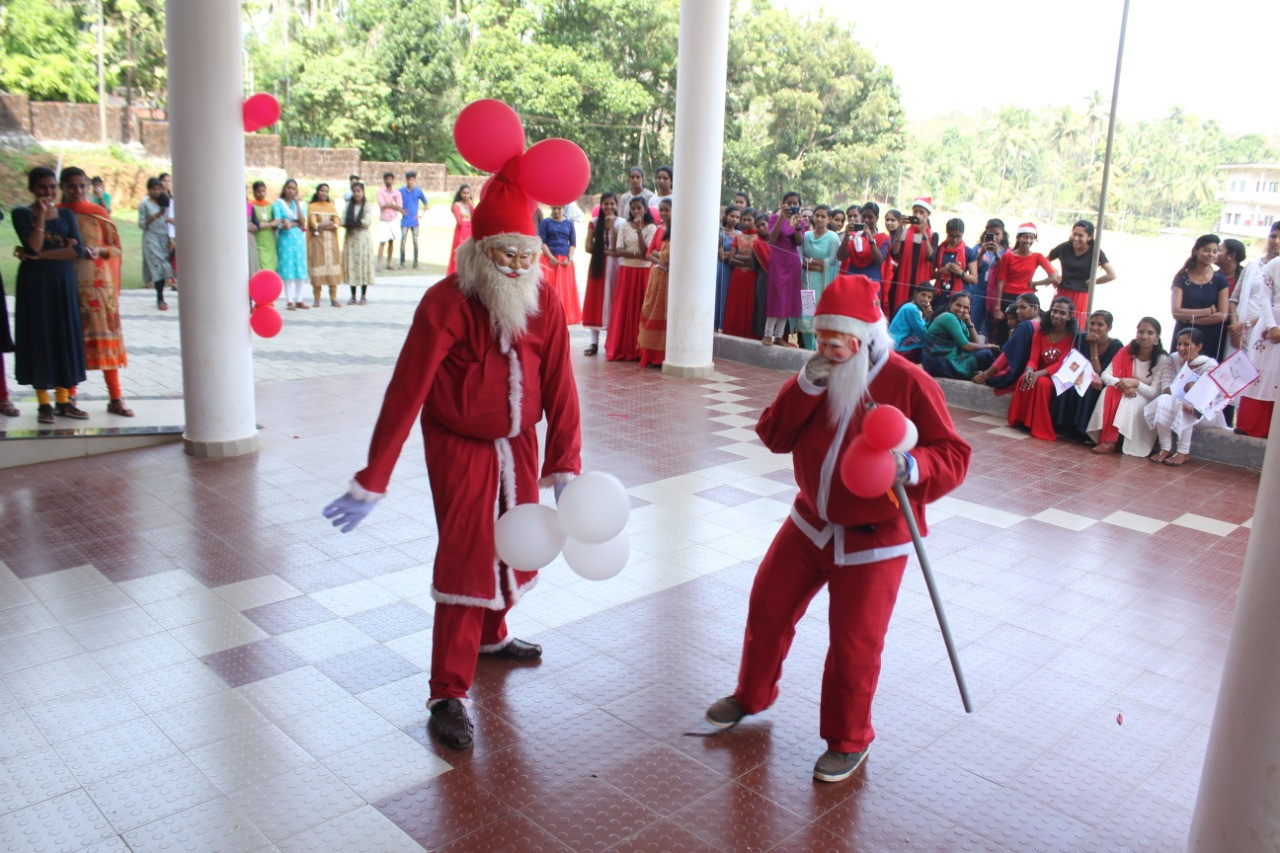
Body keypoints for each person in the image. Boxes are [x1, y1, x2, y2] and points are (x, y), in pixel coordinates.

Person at [322, 146, 583, 752]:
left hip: (518, 443)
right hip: (458, 444)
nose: (518, 265)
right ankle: (448, 691)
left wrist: (565, 461)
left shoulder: (546, 303)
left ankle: (492, 636)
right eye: (504, 254)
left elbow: (562, 387)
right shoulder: (444, 303)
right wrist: (374, 476)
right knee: (467, 556)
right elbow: (405, 391)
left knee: (516, 541)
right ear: (478, 255)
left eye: (526, 253)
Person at [705, 273, 970, 783]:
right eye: (820, 339)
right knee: (767, 605)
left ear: (866, 337)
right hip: (810, 522)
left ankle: (850, 740)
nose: (825, 349)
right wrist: (806, 385)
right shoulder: (817, 374)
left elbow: (954, 455)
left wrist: (912, 468)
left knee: (854, 646)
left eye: (836, 341)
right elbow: (773, 435)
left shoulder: (910, 382)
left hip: (876, 538)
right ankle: (751, 694)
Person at [12, 167, 91, 424]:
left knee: (63, 334)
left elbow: (76, 250)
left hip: (63, 281)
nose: (48, 191)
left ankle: (64, 400)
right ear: (32, 189)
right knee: (40, 334)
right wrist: (43, 218)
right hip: (35, 284)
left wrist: (39, 256)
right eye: (42, 187)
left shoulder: (67, 214)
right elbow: (32, 243)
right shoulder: (22, 214)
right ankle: (44, 404)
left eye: (51, 187)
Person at [58, 167, 133, 417]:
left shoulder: (98, 214)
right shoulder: (55, 215)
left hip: (100, 288)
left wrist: (99, 251)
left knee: (107, 343)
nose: (77, 190)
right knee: (70, 342)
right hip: (67, 287)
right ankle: (69, 397)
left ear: (88, 187)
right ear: (63, 188)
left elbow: (116, 248)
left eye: (82, 186)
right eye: (71, 186)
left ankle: (115, 397)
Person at [1087, 317, 1169, 456]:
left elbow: (1155, 393)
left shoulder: (1161, 359)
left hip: (1147, 399)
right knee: (1109, 390)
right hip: (1126, 391)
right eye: (1141, 332)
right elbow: (1105, 375)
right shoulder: (1127, 351)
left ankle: (1113, 441)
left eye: (1150, 333)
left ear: (1157, 337)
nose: (1144, 336)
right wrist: (1124, 386)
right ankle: (1108, 439)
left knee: (1129, 398)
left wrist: (1136, 383)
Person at [1145, 327, 1226, 465]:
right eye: (1179, 344)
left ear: (1198, 346)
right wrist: (1184, 375)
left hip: (1204, 414)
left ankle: (1183, 451)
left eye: (1186, 344)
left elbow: (1211, 396)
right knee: (1163, 400)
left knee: (1185, 404)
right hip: (1178, 404)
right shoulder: (1173, 359)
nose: (1181, 348)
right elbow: (1166, 388)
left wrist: (1191, 394)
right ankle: (1165, 447)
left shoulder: (1209, 365)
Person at [1231, 224, 1280, 437]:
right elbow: (1264, 299)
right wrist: (1272, 326)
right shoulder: (1273, 266)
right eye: (1274, 236)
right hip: (1268, 327)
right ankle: (1250, 425)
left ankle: (1273, 428)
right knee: (1257, 373)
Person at [1006, 296, 1077, 440]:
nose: (1056, 316)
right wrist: (1030, 370)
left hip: (1057, 376)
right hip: (1039, 371)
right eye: (1054, 311)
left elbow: (1063, 363)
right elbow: (1033, 358)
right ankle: (1022, 421)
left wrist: (1039, 374)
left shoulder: (1073, 337)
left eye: (1062, 313)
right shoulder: (1041, 331)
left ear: (1069, 316)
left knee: (1042, 384)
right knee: (1023, 379)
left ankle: (1036, 424)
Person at [1050, 309, 1121, 440]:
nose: (1094, 328)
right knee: (1068, 386)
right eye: (1092, 323)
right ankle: (1062, 426)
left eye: (1100, 325)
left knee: (1089, 391)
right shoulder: (1082, 338)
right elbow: (1075, 363)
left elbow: (1100, 372)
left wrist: (1093, 346)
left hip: (1100, 382)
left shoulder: (1115, 345)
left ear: (1109, 328)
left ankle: (1081, 432)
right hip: (1081, 376)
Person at [606, 197, 657, 361]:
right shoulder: (624, 226)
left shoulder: (651, 228)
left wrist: (640, 231)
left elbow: (646, 252)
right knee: (625, 308)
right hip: (626, 271)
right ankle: (624, 347)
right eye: (633, 208)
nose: (636, 211)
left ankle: (640, 348)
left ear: (646, 210)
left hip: (643, 272)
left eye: (639, 208)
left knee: (641, 309)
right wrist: (636, 254)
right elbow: (619, 250)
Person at [1171, 234, 1230, 362]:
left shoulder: (1220, 280)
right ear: (1196, 251)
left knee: (1206, 374)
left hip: (1210, 336)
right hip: (1184, 336)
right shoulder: (1181, 278)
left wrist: (1189, 319)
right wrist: (1207, 311)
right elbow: (1176, 312)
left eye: (1215, 251)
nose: (1211, 255)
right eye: (1206, 250)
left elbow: (1222, 315)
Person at [1048, 220, 1117, 327]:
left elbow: (1112, 274)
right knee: (1054, 323)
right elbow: (1045, 260)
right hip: (1062, 291)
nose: (1076, 238)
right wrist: (1054, 271)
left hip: (1081, 294)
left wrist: (1094, 281)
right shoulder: (1065, 247)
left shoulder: (1095, 251)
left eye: (1080, 235)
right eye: (1074, 234)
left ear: (1089, 237)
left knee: (1076, 327)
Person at [993, 223, 1059, 328]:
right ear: (1018, 238)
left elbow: (1054, 277)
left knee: (1027, 328)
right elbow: (1001, 283)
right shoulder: (1008, 257)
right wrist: (997, 307)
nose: (1028, 241)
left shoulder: (1037, 256)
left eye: (1031, 238)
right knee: (1005, 331)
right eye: (1025, 237)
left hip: (1028, 300)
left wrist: (1035, 283)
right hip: (1009, 298)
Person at [972, 293, 1042, 390]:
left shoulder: (1024, 326)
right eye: (1017, 307)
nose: (1018, 311)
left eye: (1023, 307)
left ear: (1035, 308)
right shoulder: (1041, 324)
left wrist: (985, 375)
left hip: (1013, 376)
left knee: (983, 357)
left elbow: (1005, 356)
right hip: (1027, 373)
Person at [922, 292, 1000, 380]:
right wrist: (989, 346)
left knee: (984, 354)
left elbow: (976, 344)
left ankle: (982, 376)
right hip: (940, 362)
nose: (961, 310)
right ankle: (982, 377)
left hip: (942, 361)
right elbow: (966, 345)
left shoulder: (960, 321)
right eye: (958, 305)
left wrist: (969, 324)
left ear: (970, 309)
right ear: (950, 303)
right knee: (986, 354)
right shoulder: (949, 317)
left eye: (966, 307)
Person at [763, 191, 807, 346]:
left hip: (793, 262)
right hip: (777, 261)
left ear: (799, 206)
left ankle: (779, 336)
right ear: (783, 204)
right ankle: (768, 334)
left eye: (795, 203)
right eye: (789, 203)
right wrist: (781, 217)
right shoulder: (775, 218)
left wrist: (796, 227)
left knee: (788, 298)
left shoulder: (800, 222)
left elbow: (799, 242)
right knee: (776, 295)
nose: (792, 206)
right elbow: (771, 238)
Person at [886, 198, 937, 319]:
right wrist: (900, 229)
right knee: (899, 309)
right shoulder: (904, 231)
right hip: (902, 279)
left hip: (921, 282)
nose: (917, 215)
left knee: (918, 313)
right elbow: (894, 253)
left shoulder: (932, 235)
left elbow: (931, 257)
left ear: (928, 214)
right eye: (915, 211)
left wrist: (924, 235)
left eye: (921, 212)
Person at [798, 205, 840, 349]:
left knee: (822, 317)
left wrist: (811, 262)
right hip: (807, 282)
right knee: (806, 317)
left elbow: (832, 262)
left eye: (823, 216)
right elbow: (801, 259)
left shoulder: (833, 238)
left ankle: (820, 350)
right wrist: (816, 264)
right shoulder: (806, 236)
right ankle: (809, 350)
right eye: (817, 215)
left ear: (829, 219)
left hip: (824, 284)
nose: (820, 219)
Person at [580, 192, 618, 356]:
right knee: (596, 301)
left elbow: (617, 249)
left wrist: (612, 228)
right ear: (600, 206)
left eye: (612, 204)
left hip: (615, 265)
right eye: (605, 204)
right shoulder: (594, 223)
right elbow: (588, 246)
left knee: (612, 300)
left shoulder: (622, 223)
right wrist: (603, 251)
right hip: (598, 265)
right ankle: (594, 342)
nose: (608, 207)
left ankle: (611, 340)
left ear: (616, 205)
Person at [637, 198, 672, 367]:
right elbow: (648, 254)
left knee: (668, 316)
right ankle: (652, 355)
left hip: (671, 279)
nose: (664, 213)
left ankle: (664, 355)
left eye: (667, 210)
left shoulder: (679, 232)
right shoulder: (659, 230)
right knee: (652, 314)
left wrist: (661, 257)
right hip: (658, 275)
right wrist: (660, 260)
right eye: (661, 210)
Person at [538, 205, 580, 325]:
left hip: (565, 262)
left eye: (559, 208)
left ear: (563, 209)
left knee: (565, 289)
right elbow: (542, 242)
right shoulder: (546, 222)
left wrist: (569, 258)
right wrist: (551, 257)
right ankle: (549, 315)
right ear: (551, 209)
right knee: (549, 289)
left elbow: (572, 243)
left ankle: (565, 315)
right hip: (549, 260)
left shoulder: (569, 223)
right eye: (554, 208)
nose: (556, 211)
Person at [722, 208, 759, 338]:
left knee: (750, 307)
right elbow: (731, 259)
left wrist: (742, 259)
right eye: (744, 219)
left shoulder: (760, 237)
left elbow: (757, 261)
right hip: (737, 277)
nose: (746, 222)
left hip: (753, 277)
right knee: (736, 307)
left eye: (749, 219)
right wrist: (748, 261)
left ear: (756, 220)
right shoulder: (739, 236)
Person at [968, 219, 1007, 341]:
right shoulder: (978, 248)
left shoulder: (1008, 251)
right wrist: (982, 253)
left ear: (1003, 235)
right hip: (978, 291)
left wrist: (996, 255)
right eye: (990, 233)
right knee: (974, 319)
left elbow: (1006, 271)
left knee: (993, 325)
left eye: (997, 234)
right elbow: (972, 268)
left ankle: (989, 351)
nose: (994, 237)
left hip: (996, 293)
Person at [138, 177, 172, 311]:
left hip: (164, 237)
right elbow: (141, 224)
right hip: (151, 236)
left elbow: (169, 219)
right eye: (154, 189)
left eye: (159, 189)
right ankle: (160, 298)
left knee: (164, 266)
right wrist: (156, 215)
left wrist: (171, 238)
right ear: (149, 189)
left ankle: (161, 294)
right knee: (157, 265)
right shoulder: (145, 204)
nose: (157, 191)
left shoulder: (164, 201)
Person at [274, 179, 309, 310]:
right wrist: (285, 223)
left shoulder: (300, 204)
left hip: (298, 239)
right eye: (288, 188)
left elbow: (302, 222)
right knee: (287, 267)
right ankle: (289, 300)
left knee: (300, 267)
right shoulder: (278, 204)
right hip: (285, 238)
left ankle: (299, 298)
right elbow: (278, 222)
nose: (290, 191)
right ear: (284, 189)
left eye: (293, 189)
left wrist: (297, 204)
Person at [307, 183, 343, 307]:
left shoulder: (331, 206)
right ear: (317, 192)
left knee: (332, 268)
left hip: (331, 242)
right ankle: (317, 299)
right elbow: (313, 224)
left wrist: (323, 225)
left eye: (326, 191)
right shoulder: (312, 206)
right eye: (322, 191)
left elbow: (337, 223)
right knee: (318, 267)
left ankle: (333, 298)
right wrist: (326, 224)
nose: (324, 193)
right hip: (317, 242)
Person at [933, 217, 976, 314]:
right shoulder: (939, 250)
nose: (955, 239)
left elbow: (974, 279)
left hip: (959, 298)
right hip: (940, 294)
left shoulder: (968, 252)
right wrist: (942, 271)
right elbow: (930, 275)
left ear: (963, 234)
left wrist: (960, 272)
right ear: (947, 233)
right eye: (951, 236)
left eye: (958, 236)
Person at [342, 181, 376, 305]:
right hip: (350, 239)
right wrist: (350, 223)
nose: (356, 194)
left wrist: (354, 222)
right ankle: (352, 296)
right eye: (354, 191)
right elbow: (342, 220)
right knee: (352, 265)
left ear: (363, 192)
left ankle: (363, 295)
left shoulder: (367, 205)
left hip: (363, 240)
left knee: (363, 265)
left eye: (359, 191)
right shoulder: (348, 206)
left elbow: (367, 221)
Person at [837, 202, 888, 283]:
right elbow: (840, 257)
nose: (866, 220)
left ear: (877, 218)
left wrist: (871, 240)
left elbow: (879, 261)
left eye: (870, 217)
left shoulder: (883, 238)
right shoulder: (854, 236)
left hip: (871, 280)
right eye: (864, 216)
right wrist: (846, 237)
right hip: (852, 279)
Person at [888, 285, 934, 363]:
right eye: (923, 295)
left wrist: (927, 317)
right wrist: (929, 318)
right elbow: (924, 334)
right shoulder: (911, 309)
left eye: (929, 297)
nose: (926, 299)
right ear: (915, 293)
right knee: (931, 347)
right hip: (898, 347)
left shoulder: (911, 307)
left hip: (896, 345)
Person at [715, 205, 741, 333]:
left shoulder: (740, 234)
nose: (734, 219)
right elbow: (720, 256)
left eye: (737, 217)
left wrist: (730, 254)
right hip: (722, 269)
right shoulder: (719, 232)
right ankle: (716, 325)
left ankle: (727, 326)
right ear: (725, 216)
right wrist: (734, 252)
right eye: (732, 216)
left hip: (735, 270)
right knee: (720, 294)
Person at [398, 171, 430, 270]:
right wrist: (400, 210)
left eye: (412, 180)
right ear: (406, 180)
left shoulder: (418, 191)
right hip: (404, 221)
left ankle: (415, 263)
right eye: (408, 180)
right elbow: (395, 201)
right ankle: (402, 263)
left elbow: (426, 203)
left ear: (414, 180)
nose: (410, 182)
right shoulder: (401, 191)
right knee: (403, 241)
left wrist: (421, 214)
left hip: (415, 221)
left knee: (415, 242)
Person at [249, 181, 278, 273]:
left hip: (269, 238)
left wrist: (272, 225)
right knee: (260, 261)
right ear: (253, 192)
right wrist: (269, 224)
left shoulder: (270, 205)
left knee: (270, 262)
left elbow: (276, 223)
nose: (262, 194)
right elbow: (253, 224)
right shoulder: (250, 205)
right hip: (257, 237)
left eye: (263, 191)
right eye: (259, 191)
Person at [376, 172, 403, 270]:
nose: (389, 181)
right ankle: (379, 264)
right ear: (384, 180)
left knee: (391, 241)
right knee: (382, 241)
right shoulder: (380, 192)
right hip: (384, 219)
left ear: (393, 180)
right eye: (387, 179)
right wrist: (393, 204)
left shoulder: (396, 192)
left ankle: (389, 263)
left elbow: (400, 206)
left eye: (390, 179)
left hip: (393, 219)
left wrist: (392, 205)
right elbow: (382, 204)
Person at [446, 185, 473, 276]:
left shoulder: (470, 205)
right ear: (460, 194)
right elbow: (459, 222)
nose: (466, 195)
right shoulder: (456, 205)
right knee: (459, 253)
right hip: (461, 231)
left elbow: (475, 218)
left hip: (471, 232)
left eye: (468, 193)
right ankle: (456, 273)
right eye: (464, 193)